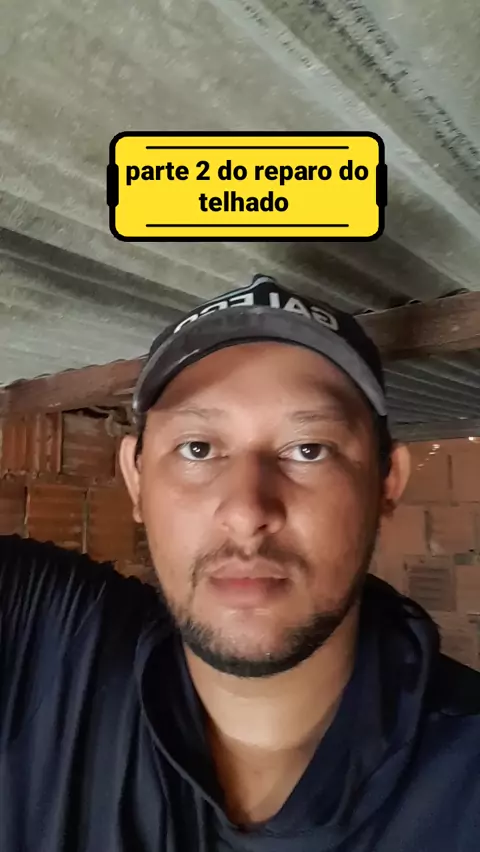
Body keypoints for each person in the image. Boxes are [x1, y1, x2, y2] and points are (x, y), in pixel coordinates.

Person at [1, 274, 479, 852]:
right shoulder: (42, 647)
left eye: (309, 450)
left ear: (386, 484)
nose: (247, 512)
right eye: (198, 448)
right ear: (136, 479)